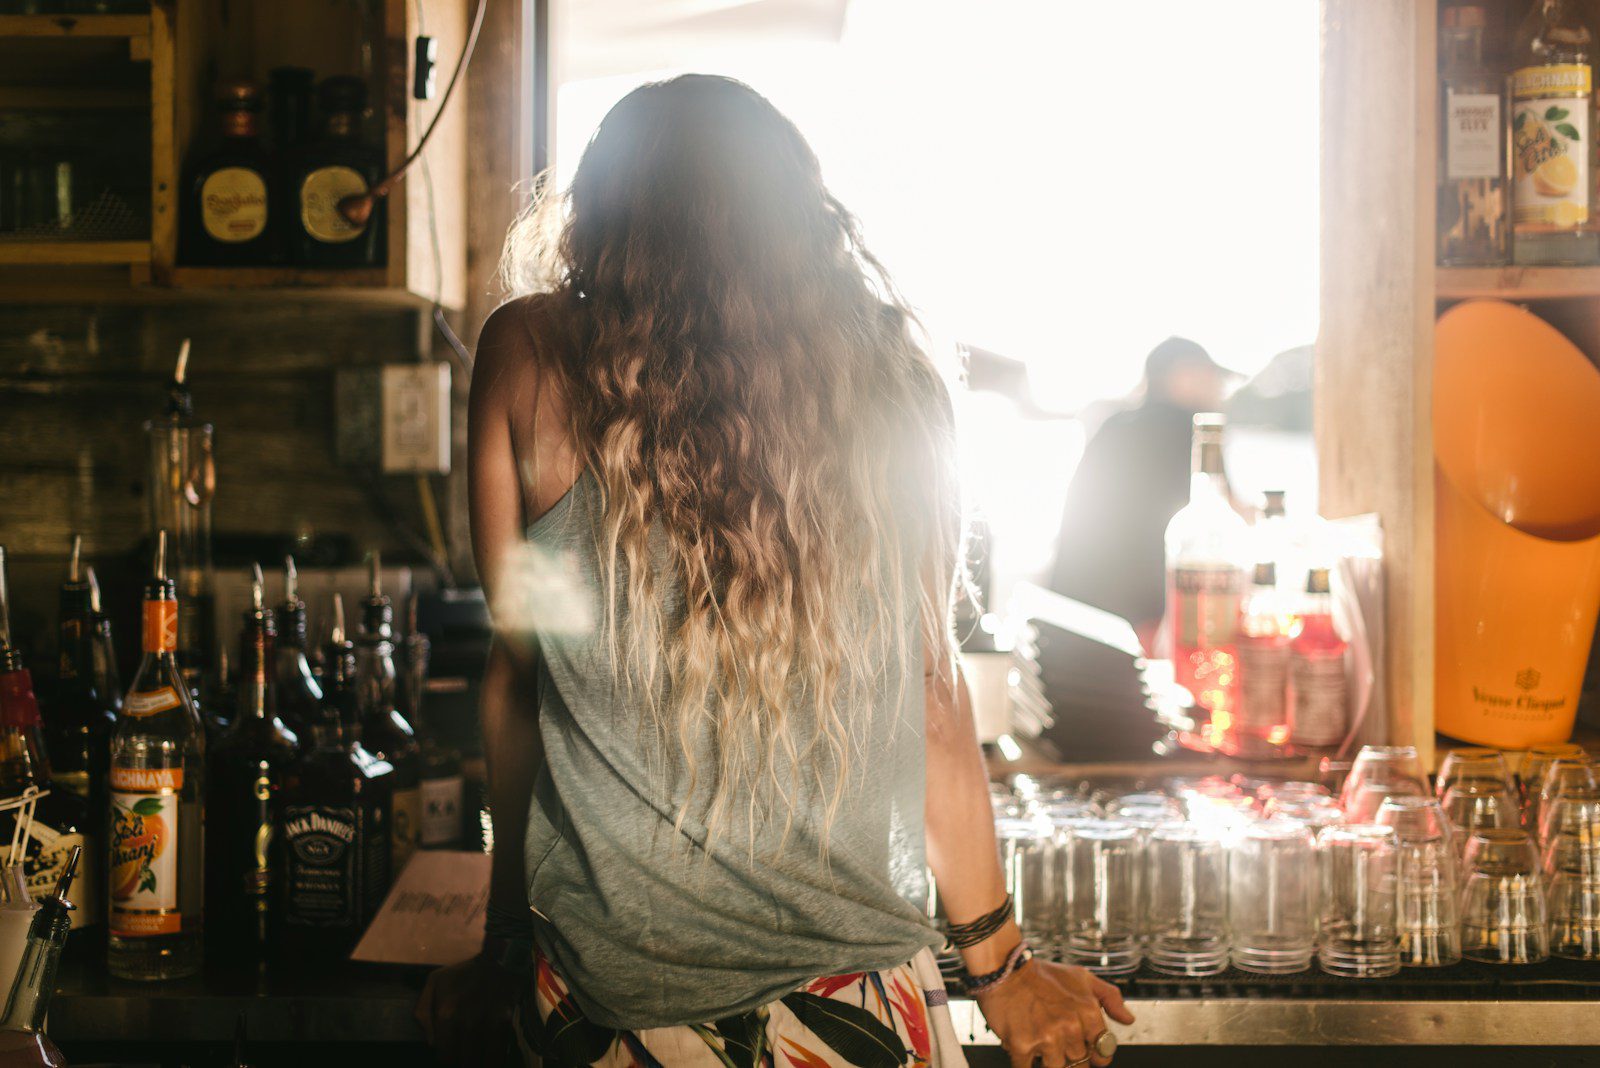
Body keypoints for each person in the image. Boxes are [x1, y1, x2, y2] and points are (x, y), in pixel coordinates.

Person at [417, 75, 1133, 1068]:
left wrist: (502, 944)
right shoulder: (891, 377)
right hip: (856, 1012)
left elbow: (525, 668)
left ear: (601, 212)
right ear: (801, 217)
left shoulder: (528, 355)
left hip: (610, 1010)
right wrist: (1001, 969)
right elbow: (931, 698)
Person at [1048, 336, 1233, 652]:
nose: (1218, 386)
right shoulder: (1189, 429)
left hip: (1074, 620)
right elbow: (1226, 520)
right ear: (1181, 375)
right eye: (1209, 374)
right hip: (1136, 628)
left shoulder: (1116, 424)